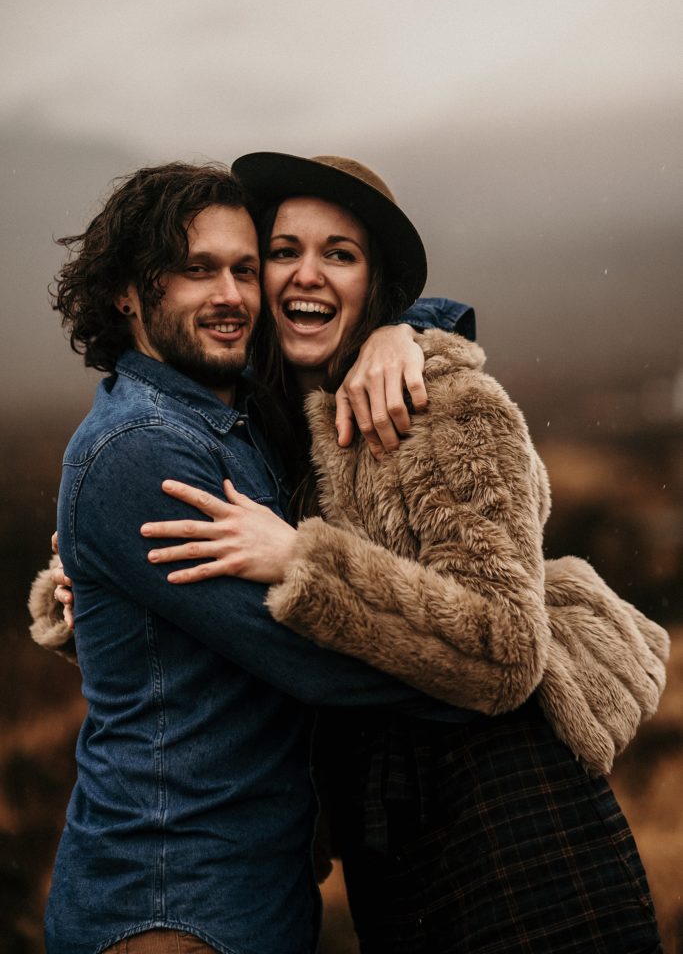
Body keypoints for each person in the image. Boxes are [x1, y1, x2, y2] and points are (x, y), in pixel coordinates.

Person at [130, 152, 667, 952]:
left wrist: (306, 562)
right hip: (390, 853)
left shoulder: (441, 404)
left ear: (372, 282)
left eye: (339, 254)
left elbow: (505, 647)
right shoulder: (276, 427)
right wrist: (107, 588)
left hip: (515, 828)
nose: (306, 275)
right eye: (284, 251)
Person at [29, 160, 486, 954]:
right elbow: (321, 662)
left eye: (245, 269)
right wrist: (477, 675)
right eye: (196, 270)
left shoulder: (228, 411)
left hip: (253, 891)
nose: (233, 296)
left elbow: (348, 315)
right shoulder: (145, 448)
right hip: (169, 898)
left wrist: (398, 333)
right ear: (127, 292)